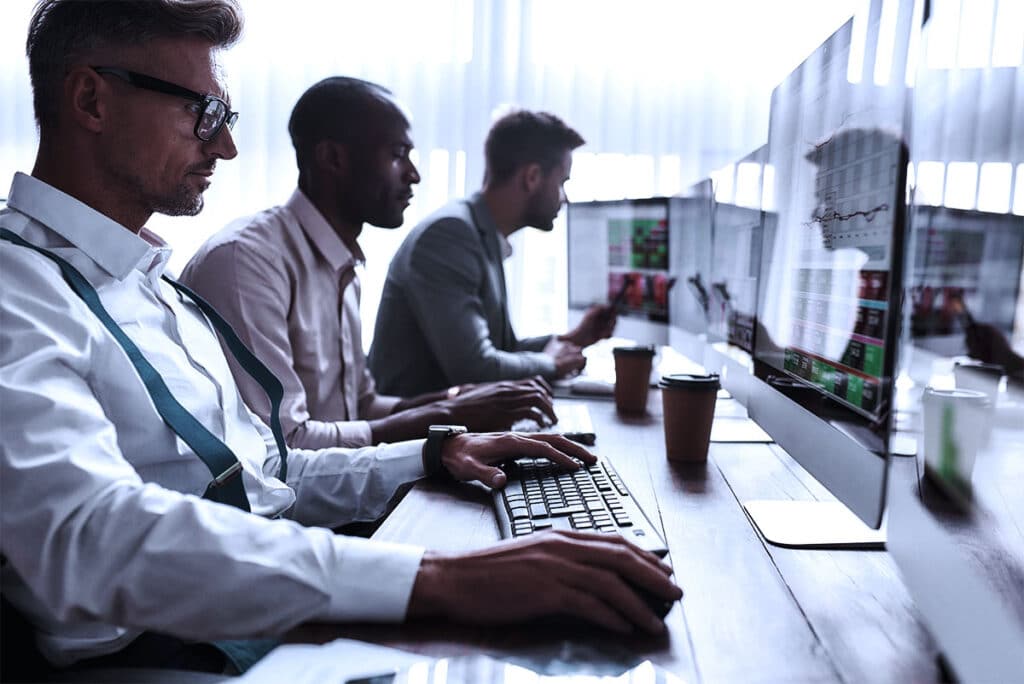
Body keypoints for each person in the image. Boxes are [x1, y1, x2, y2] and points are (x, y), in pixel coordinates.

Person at [0, 0, 680, 677]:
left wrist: (436, 452)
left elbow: (266, 473)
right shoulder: (17, 288)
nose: (226, 145)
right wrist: (439, 578)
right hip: (153, 653)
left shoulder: (148, 282)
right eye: (202, 113)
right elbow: (83, 537)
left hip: (244, 608)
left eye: (226, 118)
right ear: (91, 99)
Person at [180, 77, 557, 449]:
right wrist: (445, 417)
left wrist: (459, 400)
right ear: (333, 158)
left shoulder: (343, 266)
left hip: (345, 486)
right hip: (291, 507)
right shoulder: (248, 262)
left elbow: (361, 407)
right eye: (397, 154)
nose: (414, 174)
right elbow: (285, 445)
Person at [369, 110, 617, 397]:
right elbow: (475, 368)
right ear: (532, 177)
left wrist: (573, 339)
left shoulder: (480, 232)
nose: (565, 198)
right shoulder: (450, 235)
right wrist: (551, 363)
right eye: (562, 182)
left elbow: (501, 349)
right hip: (418, 432)